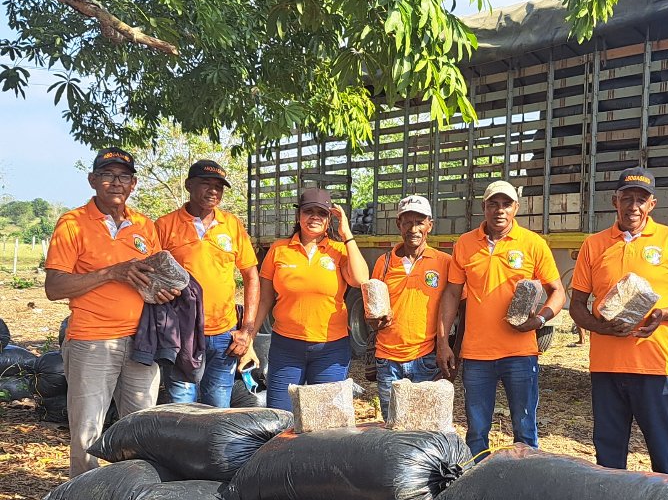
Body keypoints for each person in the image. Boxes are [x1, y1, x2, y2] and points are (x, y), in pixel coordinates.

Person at [44, 147, 178, 475]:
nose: (116, 183)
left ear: (133, 184)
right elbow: (54, 287)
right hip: (91, 341)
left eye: (124, 177)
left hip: (142, 345)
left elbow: (156, 276)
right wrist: (111, 272)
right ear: (93, 180)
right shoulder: (73, 223)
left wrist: (166, 292)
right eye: (107, 175)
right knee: (87, 433)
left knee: (140, 432)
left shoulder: (144, 225)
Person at [569, 167, 668, 476]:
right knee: (609, 454)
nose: (633, 207)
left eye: (641, 200)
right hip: (606, 368)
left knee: (665, 452)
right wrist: (601, 327)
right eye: (626, 198)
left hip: (654, 367)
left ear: (652, 204)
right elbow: (577, 305)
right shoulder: (595, 243)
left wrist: (662, 314)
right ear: (613, 201)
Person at [437, 180, 564, 458]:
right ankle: (477, 487)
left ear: (516, 208)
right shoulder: (466, 244)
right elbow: (451, 294)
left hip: (520, 354)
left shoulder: (533, 244)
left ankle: (525, 487)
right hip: (477, 355)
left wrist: (539, 320)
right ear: (484, 207)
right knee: (477, 431)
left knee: (524, 429)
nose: (500, 210)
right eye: (493, 204)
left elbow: (558, 291)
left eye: (506, 204)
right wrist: (443, 341)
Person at [250, 188, 370, 411]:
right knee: (281, 417)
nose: (315, 217)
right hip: (286, 347)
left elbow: (361, 279)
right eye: (308, 211)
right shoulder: (279, 250)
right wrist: (249, 339)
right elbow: (264, 300)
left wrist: (347, 234)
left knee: (325, 422)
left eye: (322, 213)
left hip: (330, 350)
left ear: (329, 219)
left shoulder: (339, 250)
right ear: (298, 216)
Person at [155, 160, 259, 407]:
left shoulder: (231, 224)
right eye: (205, 184)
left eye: (218, 186)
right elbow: (152, 278)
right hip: (181, 334)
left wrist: (247, 331)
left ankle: (213, 448)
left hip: (224, 335)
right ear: (189, 185)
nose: (213, 191)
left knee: (218, 406)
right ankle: (184, 447)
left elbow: (251, 276)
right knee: (184, 407)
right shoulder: (164, 226)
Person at [367, 194, 452, 419]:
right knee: (393, 427)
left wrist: (451, 349)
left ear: (429, 226)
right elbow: (373, 311)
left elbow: (456, 307)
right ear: (399, 225)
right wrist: (375, 321)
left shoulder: (443, 262)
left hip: (426, 359)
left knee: (425, 426)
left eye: (419, 222)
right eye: (407, 222)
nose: (413, 229)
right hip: (387, 361)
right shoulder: (383, 263)